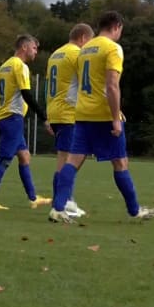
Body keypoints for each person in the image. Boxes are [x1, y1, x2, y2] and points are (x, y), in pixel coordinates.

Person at [50, 11, 154, 223]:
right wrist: (116, 117)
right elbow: (111, 85)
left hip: (82, 113)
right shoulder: (113, 48)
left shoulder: (85, 50)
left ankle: (57, 208)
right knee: (120, 162)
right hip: (103, 115)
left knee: (72, 162)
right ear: (117, 26)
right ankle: (135, 210)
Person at [0, 35, 53, 211]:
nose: (36, 51)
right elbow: (26, 94)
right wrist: (44, 118)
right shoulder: (20, 66)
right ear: (24, 47)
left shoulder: (4, 66)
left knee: (24, 156)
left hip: (5, 118)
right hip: (13, 118)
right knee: (4, 160)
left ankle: (33, 198)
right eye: (34, 48)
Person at [46, 23, 94, 218]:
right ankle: (63, 202)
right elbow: (86, 83)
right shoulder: (76, 54)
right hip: (69, 112)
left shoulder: (55, 54)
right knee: (69, 159)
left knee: (64, 157)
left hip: (55, 110)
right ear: (83, 38)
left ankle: (67, 199)